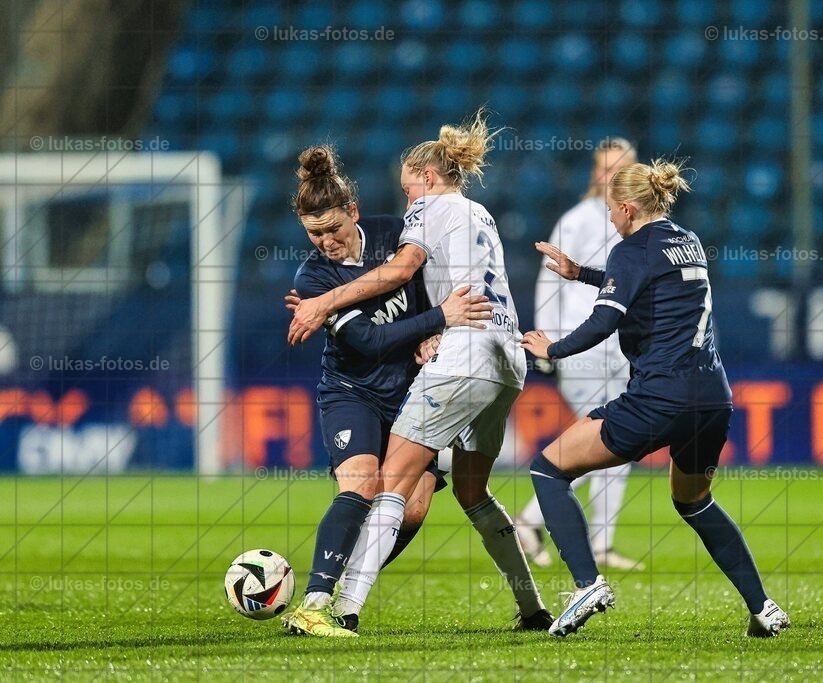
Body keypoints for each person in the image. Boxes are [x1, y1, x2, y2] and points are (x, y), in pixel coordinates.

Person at [287, 110, 552, 631]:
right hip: (446, 371)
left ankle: (341, 609)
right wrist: (434, 323)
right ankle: (532, 608)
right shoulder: (477, 214)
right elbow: (367, 338)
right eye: (313, 234)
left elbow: (404, 272)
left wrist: (325, 307)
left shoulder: (413, 220)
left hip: (450, 365)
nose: (325, 242)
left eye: (332, 228)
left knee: (397, 492)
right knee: (445, 493)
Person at [521, 159, 790, 638]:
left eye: (611, 211)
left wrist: (552, 349)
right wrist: (580, 272)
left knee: (549, 468)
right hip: (712, 399)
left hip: (660, 397)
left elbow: (604, 322)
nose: (609, 219)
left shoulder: (631, 249)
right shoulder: (687, 241)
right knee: (695, 502)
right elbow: (645, 282)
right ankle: (763, 607)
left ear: (627, 208)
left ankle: (587, 584)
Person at [517, 137, 644, 571]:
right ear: (595, 173)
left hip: (618, 347)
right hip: (580, 344)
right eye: (605, 168)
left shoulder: (632, 221)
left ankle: (599, 541)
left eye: (619, 168)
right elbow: (550, 280)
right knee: (606, 441)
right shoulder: (577, 219)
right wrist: (547, 343)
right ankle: (530, 522)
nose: (609, 176)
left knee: (616, 443)